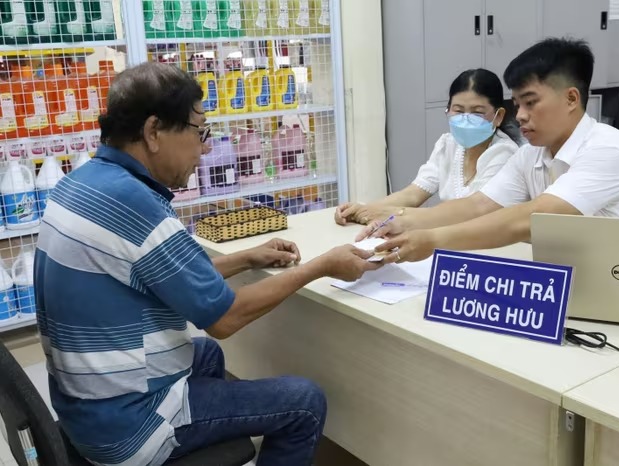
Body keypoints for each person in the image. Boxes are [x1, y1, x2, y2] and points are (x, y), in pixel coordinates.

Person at [34, 62, 382, 466]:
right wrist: (321, 266)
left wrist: (247, 257)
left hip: (86, 410)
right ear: (153, 131)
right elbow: (225, 319)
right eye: (199, 132)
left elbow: (163, 278)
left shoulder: (83, 183)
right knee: (304, 402)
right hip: (128, 428)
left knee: (206, 356)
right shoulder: (134, 204)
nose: (204, 149)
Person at [357, 38, 619, 263]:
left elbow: (532, 217)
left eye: (531, 102)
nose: (521, 115)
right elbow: (477, 206)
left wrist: (432, 239)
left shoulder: (608, 149)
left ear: (571, 99)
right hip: (574, 280)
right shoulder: (530, 154)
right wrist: (402, 223)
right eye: (517, 104)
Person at [334, 68, 521, 226]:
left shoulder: (504, 154)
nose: (465, 119)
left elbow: (472, 213)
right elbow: (414, 193)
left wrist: (392, 214)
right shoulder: (448, 144)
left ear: (498, 116)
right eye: (458, 110)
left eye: (477, 113)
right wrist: (364, 209)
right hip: (449, 238)